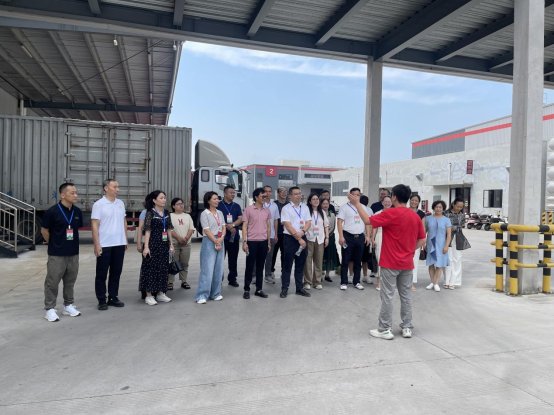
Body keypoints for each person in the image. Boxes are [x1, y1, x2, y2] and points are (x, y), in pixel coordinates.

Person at [348, 184, 426, 340]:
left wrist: (356, 203)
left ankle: (384, 329)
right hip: (407, 263)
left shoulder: (390, 213)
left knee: (387, 296)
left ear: (394, 197)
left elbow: (368, 220)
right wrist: (410, 251)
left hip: (390, 262)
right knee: (406, 296)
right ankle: (407, 327)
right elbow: (422, 239)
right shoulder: (415, 216)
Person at [41, 183, 83, 322]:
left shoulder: (77, 212)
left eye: (76, 192)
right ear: (63, 195)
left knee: (70, 281)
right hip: (56, 254)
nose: (76, 195)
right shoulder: (52, 212)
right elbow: (44, 230)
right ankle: (50, 308)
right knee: (52, 282)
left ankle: (68, 305)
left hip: (73, 253)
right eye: (72, 193)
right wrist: (53, 243)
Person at [91, 179, 128, 311]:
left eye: (118, 187)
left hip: (119, 243)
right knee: (101, 273)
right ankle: (101, 299)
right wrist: (97, 244)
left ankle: (113, 297)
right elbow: (94, 225)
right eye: (115, 187)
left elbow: (124, 221)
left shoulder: (120, 203)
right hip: (105, 244)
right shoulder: (99, 205)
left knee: (116, 272)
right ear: (106, 188)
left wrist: (125, 239)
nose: (118, 189)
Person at [140, 190, 175, 305]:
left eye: (164, 197)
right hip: (152, 245)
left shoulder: (166, 213)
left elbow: (169, 229)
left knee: (163, 269)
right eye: (161, 198)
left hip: (164, 245)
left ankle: (160, 293)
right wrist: (146, 247)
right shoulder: (150, 213)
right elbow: (147, 230)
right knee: (151, 269)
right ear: (154, 200)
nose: (164, 200)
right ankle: (149, 295)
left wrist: (171, 244)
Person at [280, 186, 312, 298]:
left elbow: (308, 222)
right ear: (290, 196)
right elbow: (288, 225)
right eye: (296, 194)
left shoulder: (305, 207)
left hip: (303, 237)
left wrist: (302, 232)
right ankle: (284, 289)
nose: (299, 195)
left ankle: (299, 288)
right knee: (287, 266)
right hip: (290, 239)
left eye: (300, 193)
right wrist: (298, 238)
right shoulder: (286, 208)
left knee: (300, 265)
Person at [337, 187, 371, 291]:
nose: (356, 197)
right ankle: (344, 282)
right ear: (350, 196)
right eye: (354, 195)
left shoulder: (363, 207)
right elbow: (339, 222)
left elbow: (367, 222)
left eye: (358, 195)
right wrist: (341, 236)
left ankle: (357, 281)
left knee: (358, 260)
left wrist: (368, 235)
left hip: (360, 237)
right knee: (346, 260)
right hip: (348, 237)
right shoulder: (344, 207)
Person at [196, 191, 226, 304]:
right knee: (207, 269)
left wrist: (221, 238)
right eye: (214, 199)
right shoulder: (204, 213)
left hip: (220, 240)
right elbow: (206, 230)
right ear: (208, 201)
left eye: (217, 198)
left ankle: (215, 293)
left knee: (219, 268)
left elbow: (223, 227)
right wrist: (215, 240)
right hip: (209, 241)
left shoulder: (220, 213)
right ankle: (202, 295)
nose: (217, 200)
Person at [242, 188, 271, 299]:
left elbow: (268, 227)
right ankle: (246, 289)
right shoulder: (248, 210)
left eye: (265, 196)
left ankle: (259, 289)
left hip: (263, 242)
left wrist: (268, 242)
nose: (264, 198)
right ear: (256, 197)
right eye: (262, 196)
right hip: (251, 242)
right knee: (249, 266)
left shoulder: (266, 211)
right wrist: (244, 242)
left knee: (260, 267)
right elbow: (244, 226)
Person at [217, 185, 242, 287]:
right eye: (231, 192)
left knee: (233, 259)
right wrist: (227, 226)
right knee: (219, 260)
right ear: (225, 193)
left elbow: (240, 218)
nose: (233, 194)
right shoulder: (218, 205)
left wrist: (233, 225)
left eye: (234, 193)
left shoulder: (236, 206)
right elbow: (217, 219)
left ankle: (232, 279)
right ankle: (218, 279)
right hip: (221, 238)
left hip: (233, 237)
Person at [424, 200, 452, 292]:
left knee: (439, 264)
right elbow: (424, 232)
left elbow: (449, 235)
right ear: (433, 208)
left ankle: (435, 283)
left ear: (443, 208)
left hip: (441, 245)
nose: (438, 209)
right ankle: (433, 282)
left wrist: (446, 246)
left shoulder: (446, 220)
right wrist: (423, 243)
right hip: (430, 244)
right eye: (436, 207)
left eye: (440, 207)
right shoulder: (428, 218)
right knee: (431, 264)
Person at [303, 193, 329, 290]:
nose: (316, 200)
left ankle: (317, 281)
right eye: (313, 199)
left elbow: (326, 226)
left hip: (320, 239)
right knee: (307, 261)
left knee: (318, 261)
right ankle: (307, 282)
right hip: (309, 238)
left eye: (317, 199)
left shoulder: (322, 212)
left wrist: (327, 238)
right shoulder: (306, 212)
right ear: (310, 201)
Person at [169, 197, 195, 290]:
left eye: (182, 203)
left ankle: (184, 281)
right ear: (173, 206)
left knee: (184, 263)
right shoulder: (170, 216)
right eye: (178, 204)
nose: (181, 205)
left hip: (186, 244)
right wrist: (179, 238)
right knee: (172, 263)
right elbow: (169, 230)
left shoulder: (187, 216)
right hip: (174, 244)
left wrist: (186, 238)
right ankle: (170, 282)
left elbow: (191, 228)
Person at [444, 198, 466, 289]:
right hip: (447, 238)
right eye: (457, 206)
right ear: (453, 204)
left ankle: (454, 281)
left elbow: (462, 225)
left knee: (457, 259)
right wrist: (451, 228)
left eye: (461, 207)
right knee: (448, 260)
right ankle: (447, 281)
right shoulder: (446, 213)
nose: (459, 208)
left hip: (458, 238)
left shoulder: (462, 215)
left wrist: (454, 227)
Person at [371, 196, 392, 291]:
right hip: (380, 236)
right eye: (385, 201)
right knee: (379, 258)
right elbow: (374, 227)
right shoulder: (378, 213)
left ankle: (388, 282)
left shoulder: (394, 213)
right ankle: (379, 281)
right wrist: (373, 238)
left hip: (392, 237)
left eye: (389, 201)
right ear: (382, 203)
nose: (387, 203)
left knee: (390, 260)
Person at [263, 185, 280, 284]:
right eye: (266, 191)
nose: (268, 193)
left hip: (272, 235)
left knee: (269, 257)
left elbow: (276, 221)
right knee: (258, 257)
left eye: (269, 191)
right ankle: (254, 276)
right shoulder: (259, 204)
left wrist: (276, 234)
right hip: (260, 235)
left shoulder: (274, 206)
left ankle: (268, 275)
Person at [270, 186, 288, 281]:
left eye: (285, 191)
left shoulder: (289, 205)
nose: (284, 193)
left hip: (286, 233)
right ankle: (271, 271)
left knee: (284, 254)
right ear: (278, 193)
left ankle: (283, 272)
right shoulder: (274, 204)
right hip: (275, 233)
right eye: (282, 191)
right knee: (273, 253)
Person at [409, 194, 426, 290]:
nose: (414, 202)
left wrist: (423, 241)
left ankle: (411, 282)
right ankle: (402, 282)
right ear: (409, 200)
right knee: (403, 261)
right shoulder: (405, 210)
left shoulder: (421, 214)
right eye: (412, 200)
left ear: (418, 202)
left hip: (416, 240)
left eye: (416, 200)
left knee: (414, 261)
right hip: (404, 240)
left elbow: (423, 228)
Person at [321, 198, 340, 282]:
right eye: (324, 204)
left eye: (327, 204)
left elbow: (333, 226)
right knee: (321, 256)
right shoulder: (319, 214)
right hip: (320, 237)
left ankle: (327, 275)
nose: (325, 205)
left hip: (330, 237)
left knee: (329, 255)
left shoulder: (332, 215)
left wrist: (327, 235)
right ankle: (320, 274)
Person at [360, 195, 376, 284]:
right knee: (361, 258)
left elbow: (371, 223)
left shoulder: (369, 210)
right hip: (360, 235)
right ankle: (363, 276)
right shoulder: (358, 209)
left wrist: (369, 236)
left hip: (366, 236)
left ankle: (364, 276)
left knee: (364, 258)